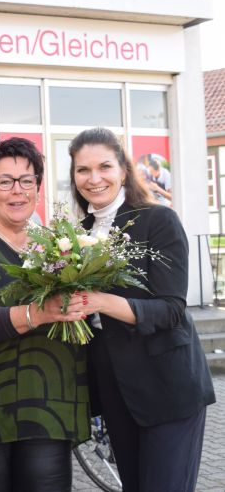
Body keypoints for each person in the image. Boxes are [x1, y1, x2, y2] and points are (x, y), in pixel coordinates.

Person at [70, 127, 215, 492]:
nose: (94, 178)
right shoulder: (76, 232)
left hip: (167, 385)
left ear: (123, 169)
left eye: (104, 166)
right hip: (117, 387)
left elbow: (171, 310)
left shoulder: (157, 220)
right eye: (82, 170)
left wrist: (99, 301)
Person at [0, 137, 91, 492]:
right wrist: (41, 313)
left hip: (52, 403)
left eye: (27, 181)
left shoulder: (58, 243)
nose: (17, 191)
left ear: (38, 188)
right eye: (5, 181)